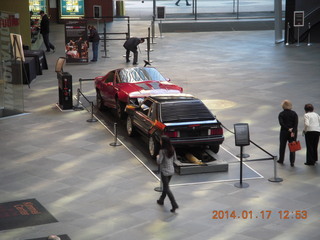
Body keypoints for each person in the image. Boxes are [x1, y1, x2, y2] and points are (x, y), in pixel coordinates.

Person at [156, 135, 179, 213]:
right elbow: (175, 159)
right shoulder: (172, 149)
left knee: (166, 188)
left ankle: (174, 204)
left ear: (163, 142)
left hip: (165, 172)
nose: (160, 141)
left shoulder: (162, 151)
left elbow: (159, 162)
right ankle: (161, 200)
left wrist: (158, 157)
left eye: (161, 140)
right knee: (166, 187)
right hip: (171, 171)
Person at [278, 100, 298, 167]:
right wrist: (293, 131)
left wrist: (287, 129)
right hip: (292, 133)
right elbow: (296, 124)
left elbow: (281, 123)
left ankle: (281, 159)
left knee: (282, 146)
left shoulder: (281, 114)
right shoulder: (294, 113)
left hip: (284, 132)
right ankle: (292, 162)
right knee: (293, 147)